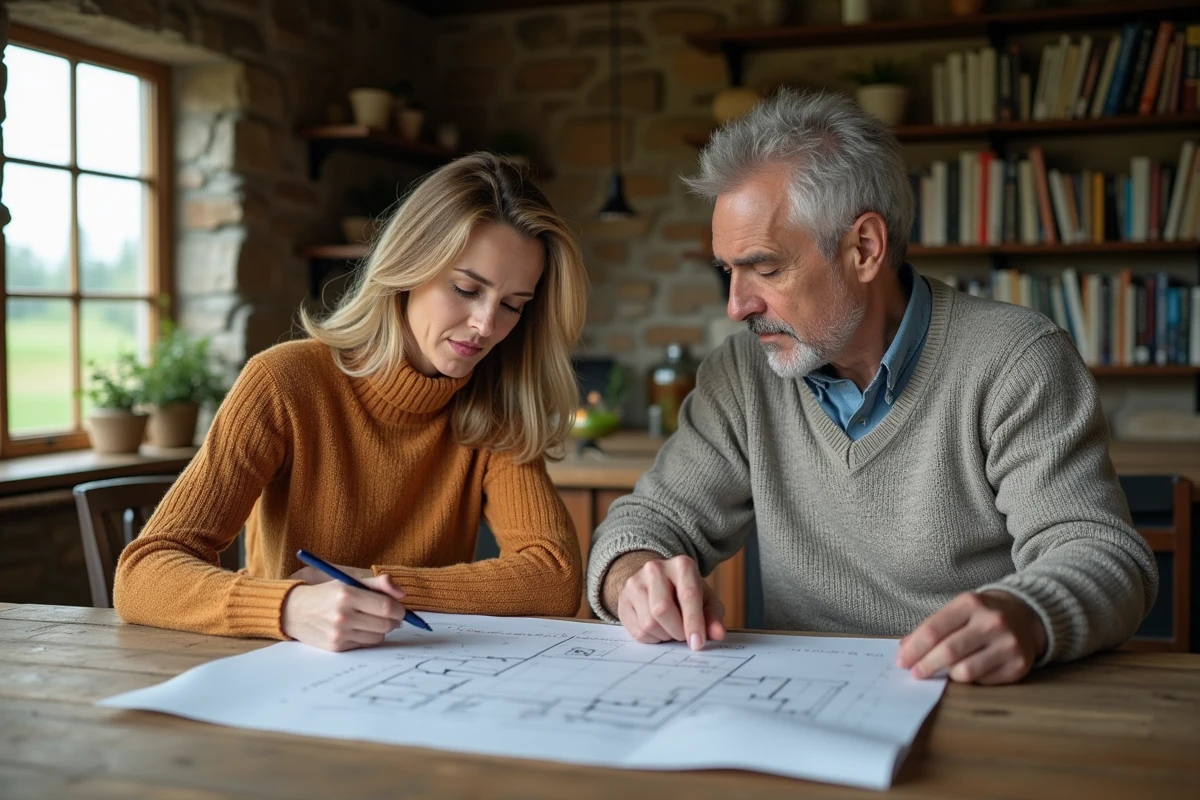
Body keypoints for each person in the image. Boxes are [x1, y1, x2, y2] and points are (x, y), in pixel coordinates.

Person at [587, 90, 1157, 685]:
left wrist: (1030, 614)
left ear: (864, 248)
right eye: (728, 271)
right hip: (797, 700)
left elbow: (1103, 554)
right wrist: (636, 577)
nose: (736, 306)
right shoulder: (740, 374)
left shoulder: (1015, 359)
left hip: (970, 695)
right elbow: (643, 525)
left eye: (766, 267)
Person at [116, 153, 588, 651]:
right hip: (287, 668)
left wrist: (373, 585)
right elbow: (143, 575)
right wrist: (290, 607)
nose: (486, 324)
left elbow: (554, 579)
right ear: (408, 268)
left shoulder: (496, 408)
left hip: (426, 671)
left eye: (513, 305)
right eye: (466, 288)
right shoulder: (284, 383)